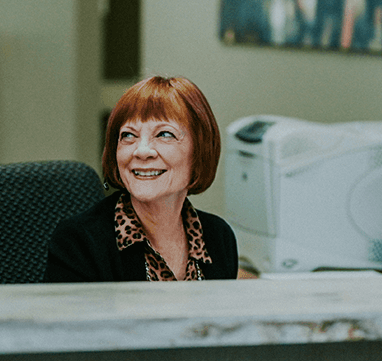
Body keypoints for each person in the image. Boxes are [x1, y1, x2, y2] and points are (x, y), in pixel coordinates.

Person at [46, 75, 239, 282]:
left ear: (199, 150)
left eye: (165, 134)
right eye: (128, 135)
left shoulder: (218, 237)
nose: (142, 150)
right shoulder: (79, 242)